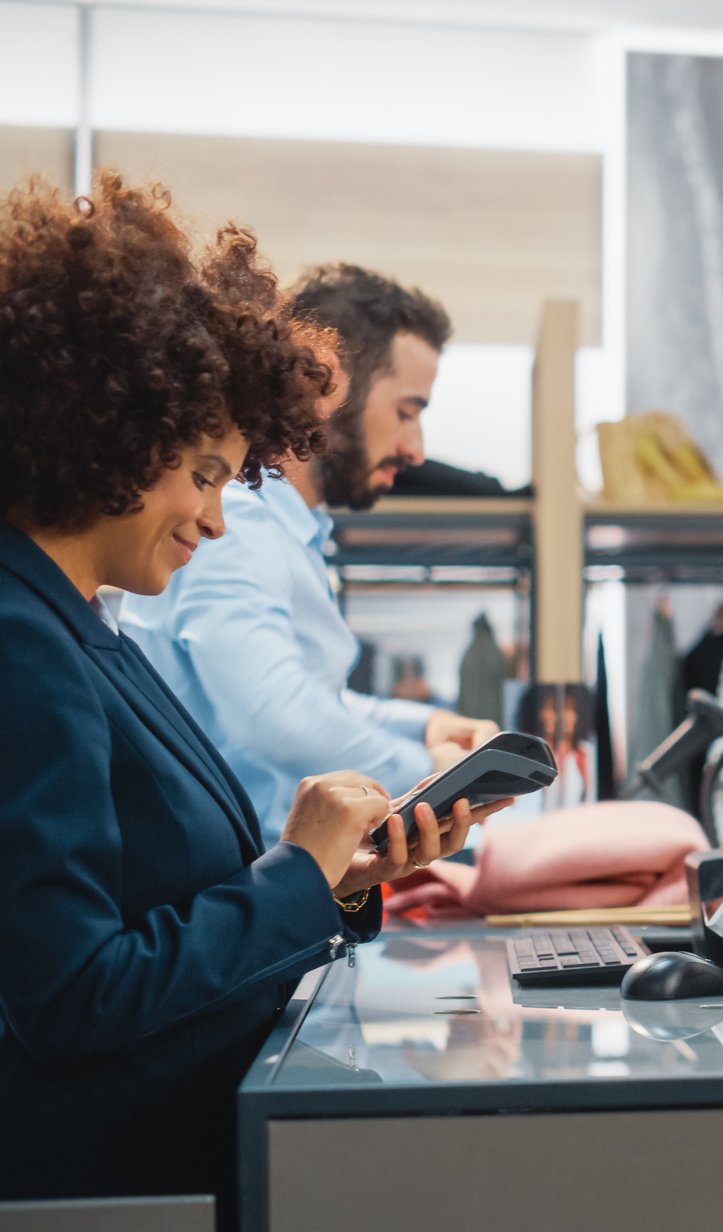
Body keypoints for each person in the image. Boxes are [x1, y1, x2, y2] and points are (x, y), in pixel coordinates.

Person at [0, 173, 508, 1209]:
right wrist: (296, 874)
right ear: (111, 433)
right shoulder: (21, 643)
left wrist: (338, 875)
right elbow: (76, 998)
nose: (218, 520)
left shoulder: (77, 622)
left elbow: (165, 902)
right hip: (124, 1193)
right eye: (202, 471)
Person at [122, 262, 498, 839]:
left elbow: (316, 699)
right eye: (406, 411)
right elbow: (272, 713)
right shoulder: (241, 518)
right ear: (330, 381)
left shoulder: (288, 528)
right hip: (225, 888)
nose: (416, 449)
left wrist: (426, 727)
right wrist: (429, 775)